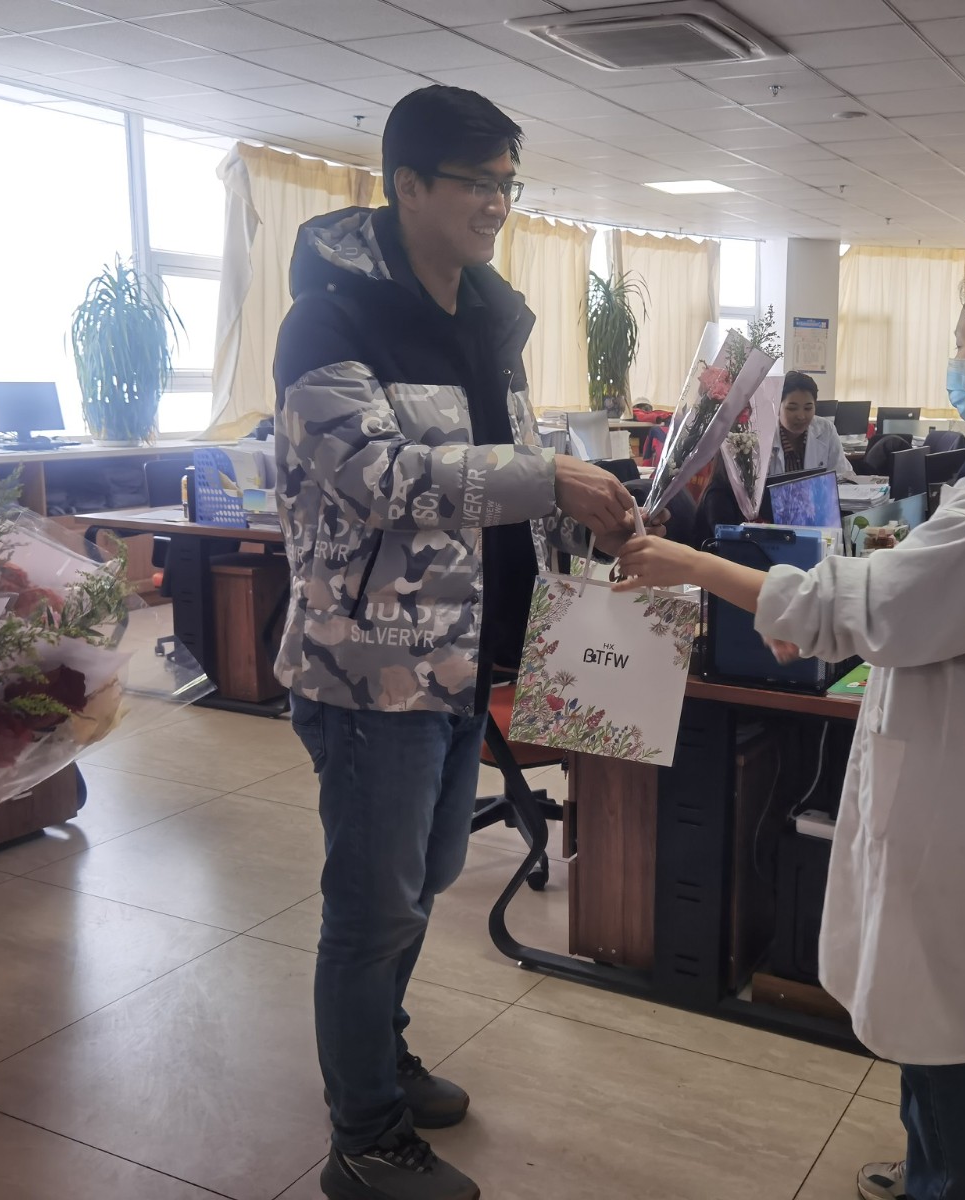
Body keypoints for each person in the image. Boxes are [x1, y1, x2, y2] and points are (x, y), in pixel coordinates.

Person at [615, 222, 965, 1200]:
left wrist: (690, 565)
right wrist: (829, 610)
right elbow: (918, 608)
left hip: (955, 791)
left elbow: (874, 607)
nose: (957, 365)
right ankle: (931, 1168)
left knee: (944, 1013)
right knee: (924, 999)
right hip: (951, 768)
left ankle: (962, 1184)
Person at [272, 86, 648, 1200]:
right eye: (476, 182)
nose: (496, 203)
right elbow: (376, 478)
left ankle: (379, 1055)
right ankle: (364, 1138)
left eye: (507, 183)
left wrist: (587, 526)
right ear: (407, 186)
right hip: (369, 669)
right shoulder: (327, 320)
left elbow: (501, 490)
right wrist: (551, 477)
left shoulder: (489, 317)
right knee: (371, 906)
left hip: (461, 661)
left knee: (425, 879)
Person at [767, 371, 857, 480]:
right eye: (792, 408)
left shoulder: (826, 429)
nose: (801, 416)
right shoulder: (763, 436)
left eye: (808, 408)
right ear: (777, 407)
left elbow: (842, 475)